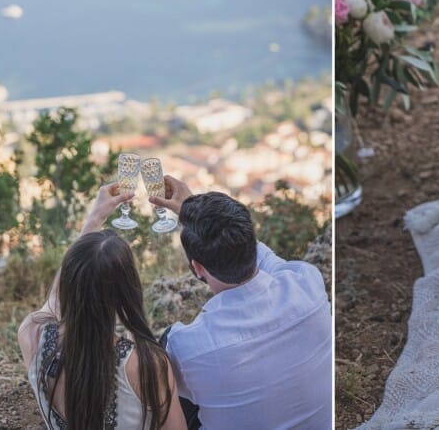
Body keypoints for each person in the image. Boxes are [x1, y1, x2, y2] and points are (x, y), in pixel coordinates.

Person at [147, 178, 332, 430]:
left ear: (197, 268)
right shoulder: (306, 283)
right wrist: (197, 214)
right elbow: (261, 255)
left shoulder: (187, 345)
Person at [18, 184, 187, 430]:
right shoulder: (144, 364)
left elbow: (56, 299)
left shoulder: (32, 334)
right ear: (126, 293)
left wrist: (95, 218)